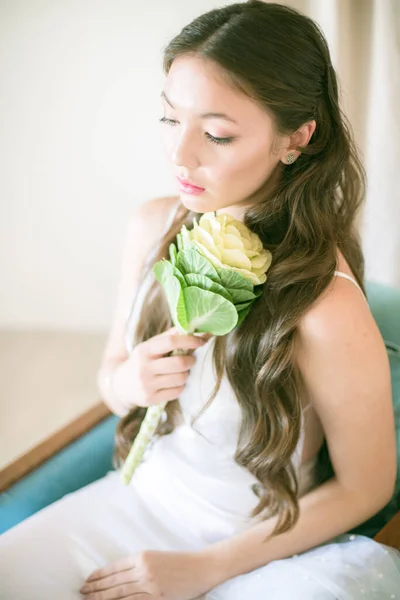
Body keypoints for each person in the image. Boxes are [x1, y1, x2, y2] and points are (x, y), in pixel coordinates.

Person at [1, 1, 399, 598]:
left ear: (297, 137)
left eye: (216, 134)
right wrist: (130, 383)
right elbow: (110, 379)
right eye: (169, 120)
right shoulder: (151, 227)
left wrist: (209, 568)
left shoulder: (325, 306)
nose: (180, 155)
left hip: (261, 547)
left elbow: (367, 488)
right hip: (132, 504)